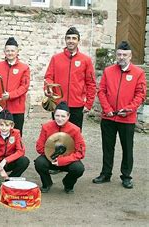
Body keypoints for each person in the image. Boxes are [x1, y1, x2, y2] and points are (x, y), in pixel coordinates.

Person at [92, 41, 146, 189]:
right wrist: (107, 108)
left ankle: (126, 176)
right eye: (119, 54)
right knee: (107, 147)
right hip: (109, 116)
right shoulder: (109, 71)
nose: (121, 57)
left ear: (130, 56)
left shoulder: (138, 73)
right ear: (116, 55)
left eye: (125, 55)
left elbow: (140, 95)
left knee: (127, 148)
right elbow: (101, 90)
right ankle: (106, 173)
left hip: (127, 118)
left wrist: (128, 109)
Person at [44, 27, 96, 130]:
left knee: (74, 136)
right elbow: (48, 77)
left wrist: (89, 104)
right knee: (57, 136)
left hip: (77, 105)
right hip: (58, 103)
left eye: (74, 38)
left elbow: (91, 83)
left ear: (78, 41)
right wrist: (48, 89)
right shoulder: (56, 58)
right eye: (68, 38)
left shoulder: (86, 60)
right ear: (65, 40)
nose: (71, 41)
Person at [34, 102, 85, 194]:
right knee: (39, 162)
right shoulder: (46, 127)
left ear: (68, 116)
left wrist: (63, 160)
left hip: (68, 160)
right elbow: (39, 147)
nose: (59, 119)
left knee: (78, 168)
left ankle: (68, 184)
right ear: (54, 115)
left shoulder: (75, 130)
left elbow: (80, 152)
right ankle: (47, 183)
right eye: (57, 115)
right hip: (51, 158)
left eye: (63, 116)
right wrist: (52, 155)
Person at [0, 37, 30, 136]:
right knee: (0, 135)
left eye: (12, 51)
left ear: (17, 51)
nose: (10, 53)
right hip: (0, 106)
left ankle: (17, 152)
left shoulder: (24, 68)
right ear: (4, 52)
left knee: (16, 135)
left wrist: (10, 95)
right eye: (8, 50)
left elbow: (24, 87)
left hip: (17, 108)